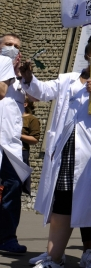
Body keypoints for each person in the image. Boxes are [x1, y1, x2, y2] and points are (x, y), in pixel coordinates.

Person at [21, 35, 91, 268]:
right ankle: (54, 257)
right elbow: (44, 91)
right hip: (68, 147)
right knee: (63, 202)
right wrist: (29, 77)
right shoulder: (69, 79)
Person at [0, 55, 31, 255]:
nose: (14, 50)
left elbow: (33, 99)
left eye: (17, 46)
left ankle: (7, 237)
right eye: (9, 45)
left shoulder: (19, 83)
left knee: (12, 191)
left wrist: (21, 76)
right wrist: (6, 72)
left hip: (10, 148)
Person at [21, 95, 40, 196]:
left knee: (15, 183)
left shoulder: (32, 119)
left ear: (25, 104)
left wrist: (17, 135)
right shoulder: (11, 116)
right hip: (4, 150)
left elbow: (34, 140)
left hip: (21, 152)